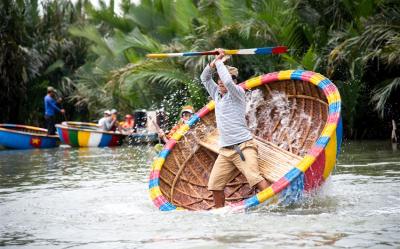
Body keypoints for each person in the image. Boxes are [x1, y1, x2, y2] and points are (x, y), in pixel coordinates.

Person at [200, 48, 270, 208]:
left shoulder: (237, 93)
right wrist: (214, 62)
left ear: (234, 81)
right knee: (214, 185)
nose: (220, 84)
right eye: (219, 82)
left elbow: (228, 82)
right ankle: (221, 214)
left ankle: (274, 205)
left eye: (223, 82)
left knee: (255, 179)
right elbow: (204, 78)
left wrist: (219, 61)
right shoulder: (217, 94)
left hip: (244, 146)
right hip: (226, 150)